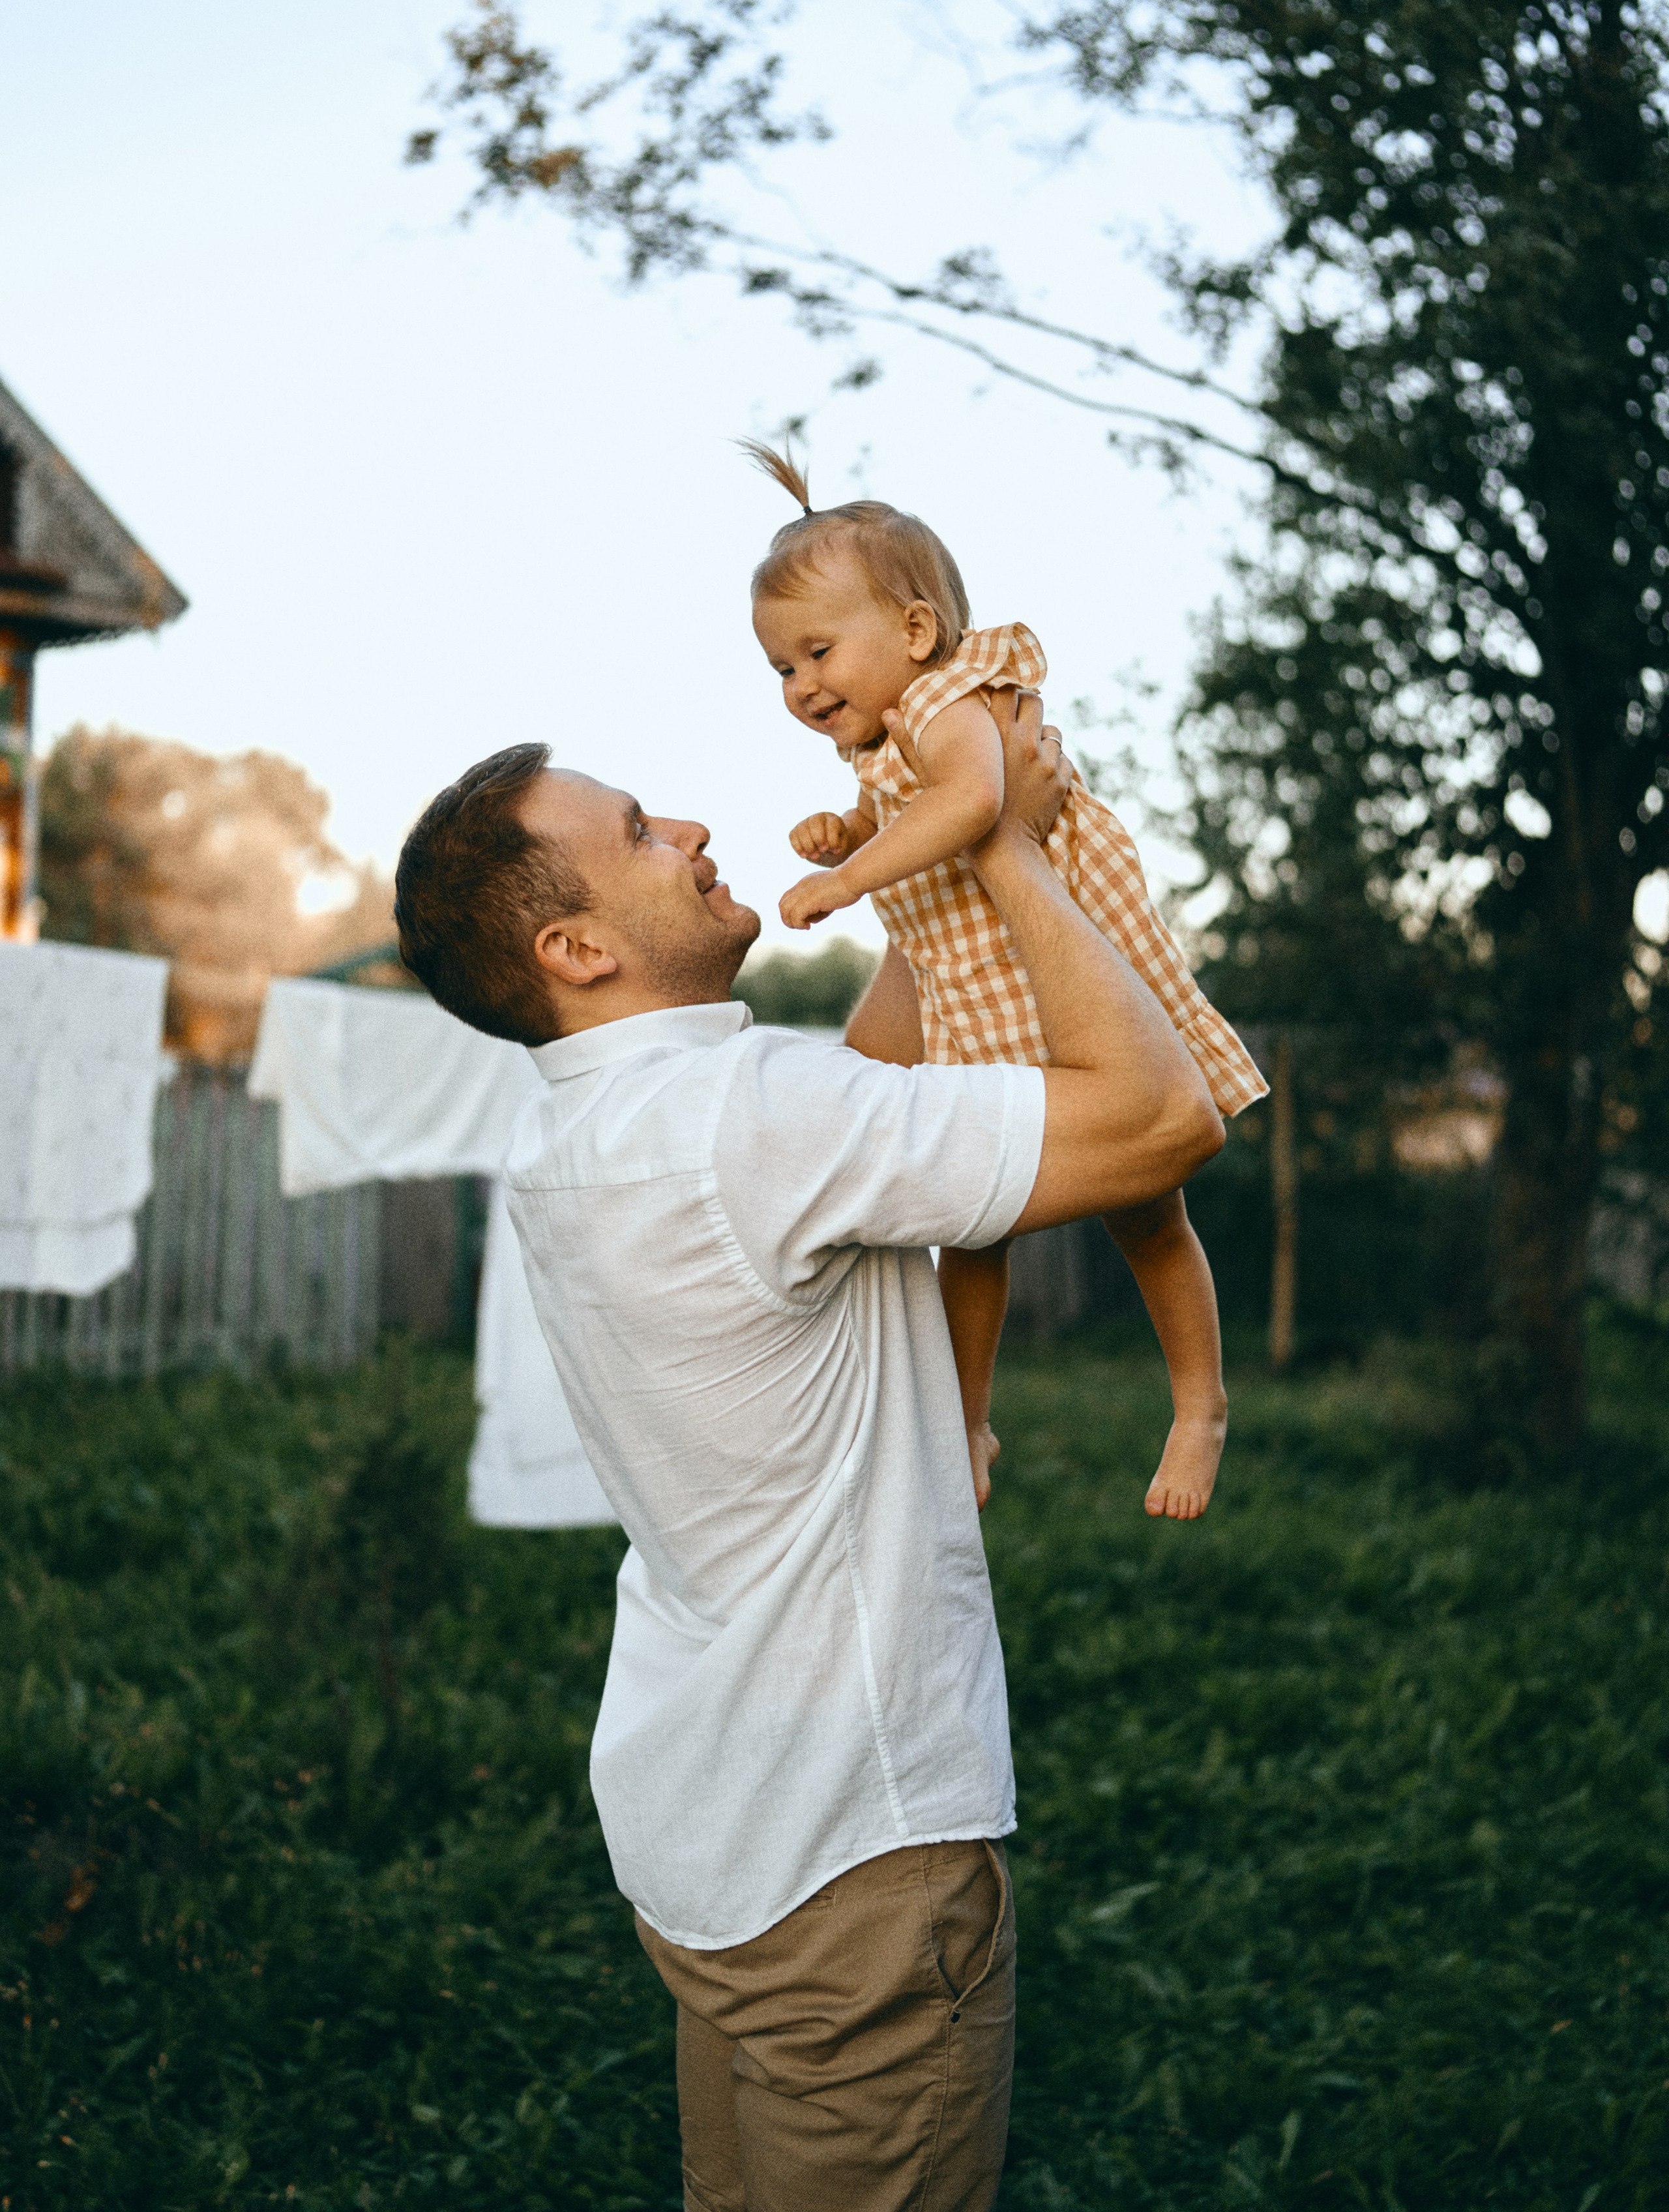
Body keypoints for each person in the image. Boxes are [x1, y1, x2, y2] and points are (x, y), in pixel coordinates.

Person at [393, 702, 1223, 2212]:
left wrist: (924, 894)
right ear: (576, 949)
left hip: (710, 1829)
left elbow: (852, 1120)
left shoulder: (579, 1138)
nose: (691, 830)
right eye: (638, 830)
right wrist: (1008, 844)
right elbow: (1159, 1120)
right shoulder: (751, 1119)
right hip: (854, 1860)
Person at [744, 441, 1265, 1521]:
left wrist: (846, 878)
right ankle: (967, 1415)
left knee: (1149, 1215)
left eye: (817, 652)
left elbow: (973, 805)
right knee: (970, 1226)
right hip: (979, 990)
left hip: (1068, 979)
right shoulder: (888, 734)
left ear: (916, 632)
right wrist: (848, 825)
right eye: (782, 669)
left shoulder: (951, 700)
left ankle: (1200, 1403)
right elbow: (906, 809)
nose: (801, 687)